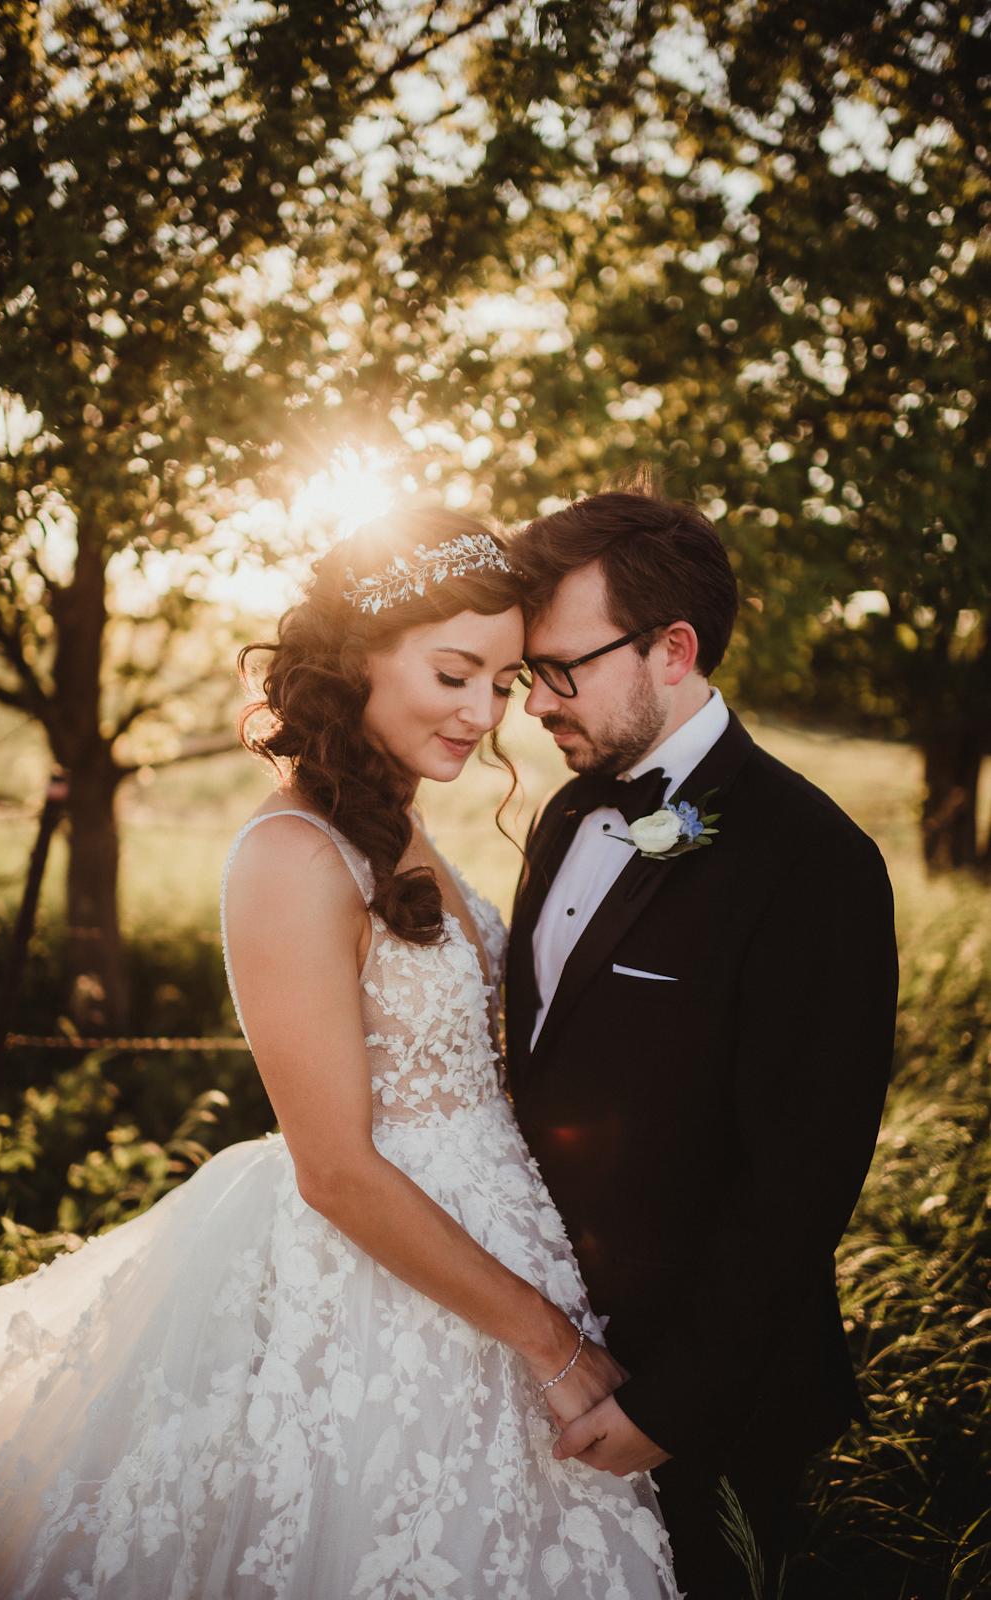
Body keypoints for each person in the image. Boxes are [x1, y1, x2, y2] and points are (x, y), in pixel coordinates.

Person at [0, 509, 678, 1600]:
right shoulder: (290, 854)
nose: (483, 713)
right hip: (378, 1289)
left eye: (506, 682)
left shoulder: (400, 822)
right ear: (356, 659)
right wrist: (551, 1344)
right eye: (454, 673)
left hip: (489, 1257)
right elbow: (333, 1167)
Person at [504, 479, 898, 1598]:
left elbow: (801, 1176)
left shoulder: (811, 860)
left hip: (708, 1409)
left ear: (671, 649)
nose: (534, 703)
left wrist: (669, 1407)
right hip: (547, 1365)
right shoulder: (569, 810)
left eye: (559, 668)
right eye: (529, 671)